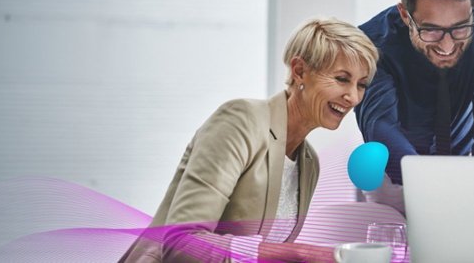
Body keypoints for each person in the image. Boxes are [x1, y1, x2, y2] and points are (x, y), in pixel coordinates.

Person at [119, 17, 378, 263]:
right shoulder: (240, 120)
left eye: (361, 84)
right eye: (342, 79)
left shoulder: (309, 162)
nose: (353, 98)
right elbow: (183, 244)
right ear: (299, 71)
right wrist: (299, 254)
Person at [355, 0, 474, 211]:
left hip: (468, 172)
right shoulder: (370, 41)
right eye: (430, 30)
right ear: (404, 14)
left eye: (460, 27)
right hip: (394, 176)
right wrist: (431, 190)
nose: (447, 45)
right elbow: (380, 124)